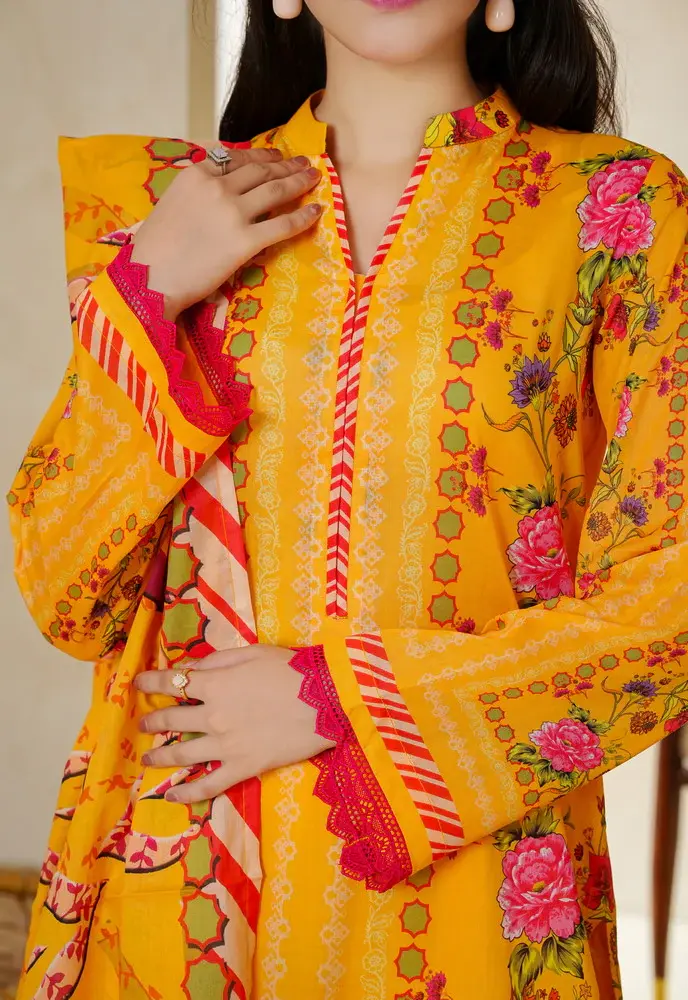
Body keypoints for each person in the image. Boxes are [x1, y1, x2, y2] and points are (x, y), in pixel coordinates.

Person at [8, 0, 688, 996]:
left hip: (475, 908)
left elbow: (670, 599)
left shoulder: (615, 211)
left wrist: (338, 698)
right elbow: (64, 594)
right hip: (182, 895)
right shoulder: (163, 206)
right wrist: (147, 291)